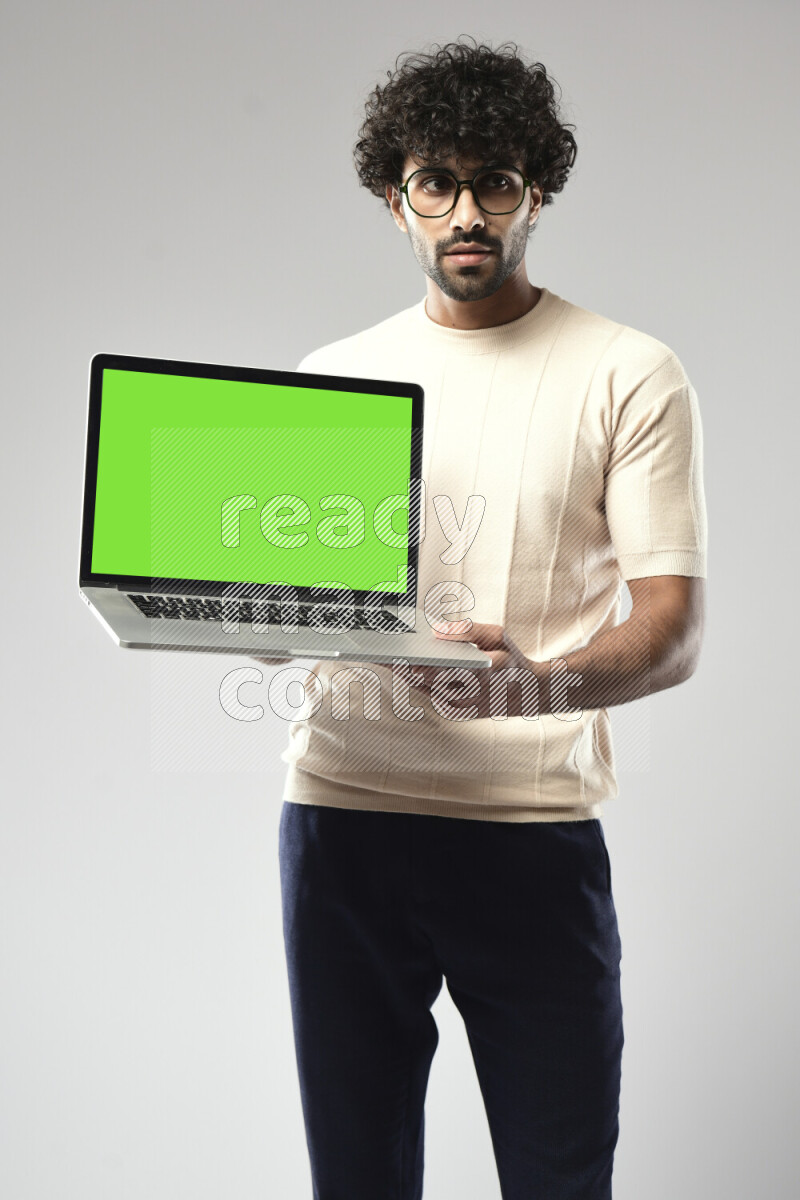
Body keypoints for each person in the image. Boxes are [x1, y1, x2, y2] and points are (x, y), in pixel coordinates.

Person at [257, 36, 707, 1200]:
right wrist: (224, 610)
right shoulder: (333, 374)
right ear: (393, 201)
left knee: (559, 1178)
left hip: (528, 836)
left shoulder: (626, 371)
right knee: (357, 1180)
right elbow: (294, 603)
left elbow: (672, 624)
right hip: (341, 827)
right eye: (435, 183)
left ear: (534, 193)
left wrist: (532, 686)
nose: (467, 211)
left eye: (494, 181)